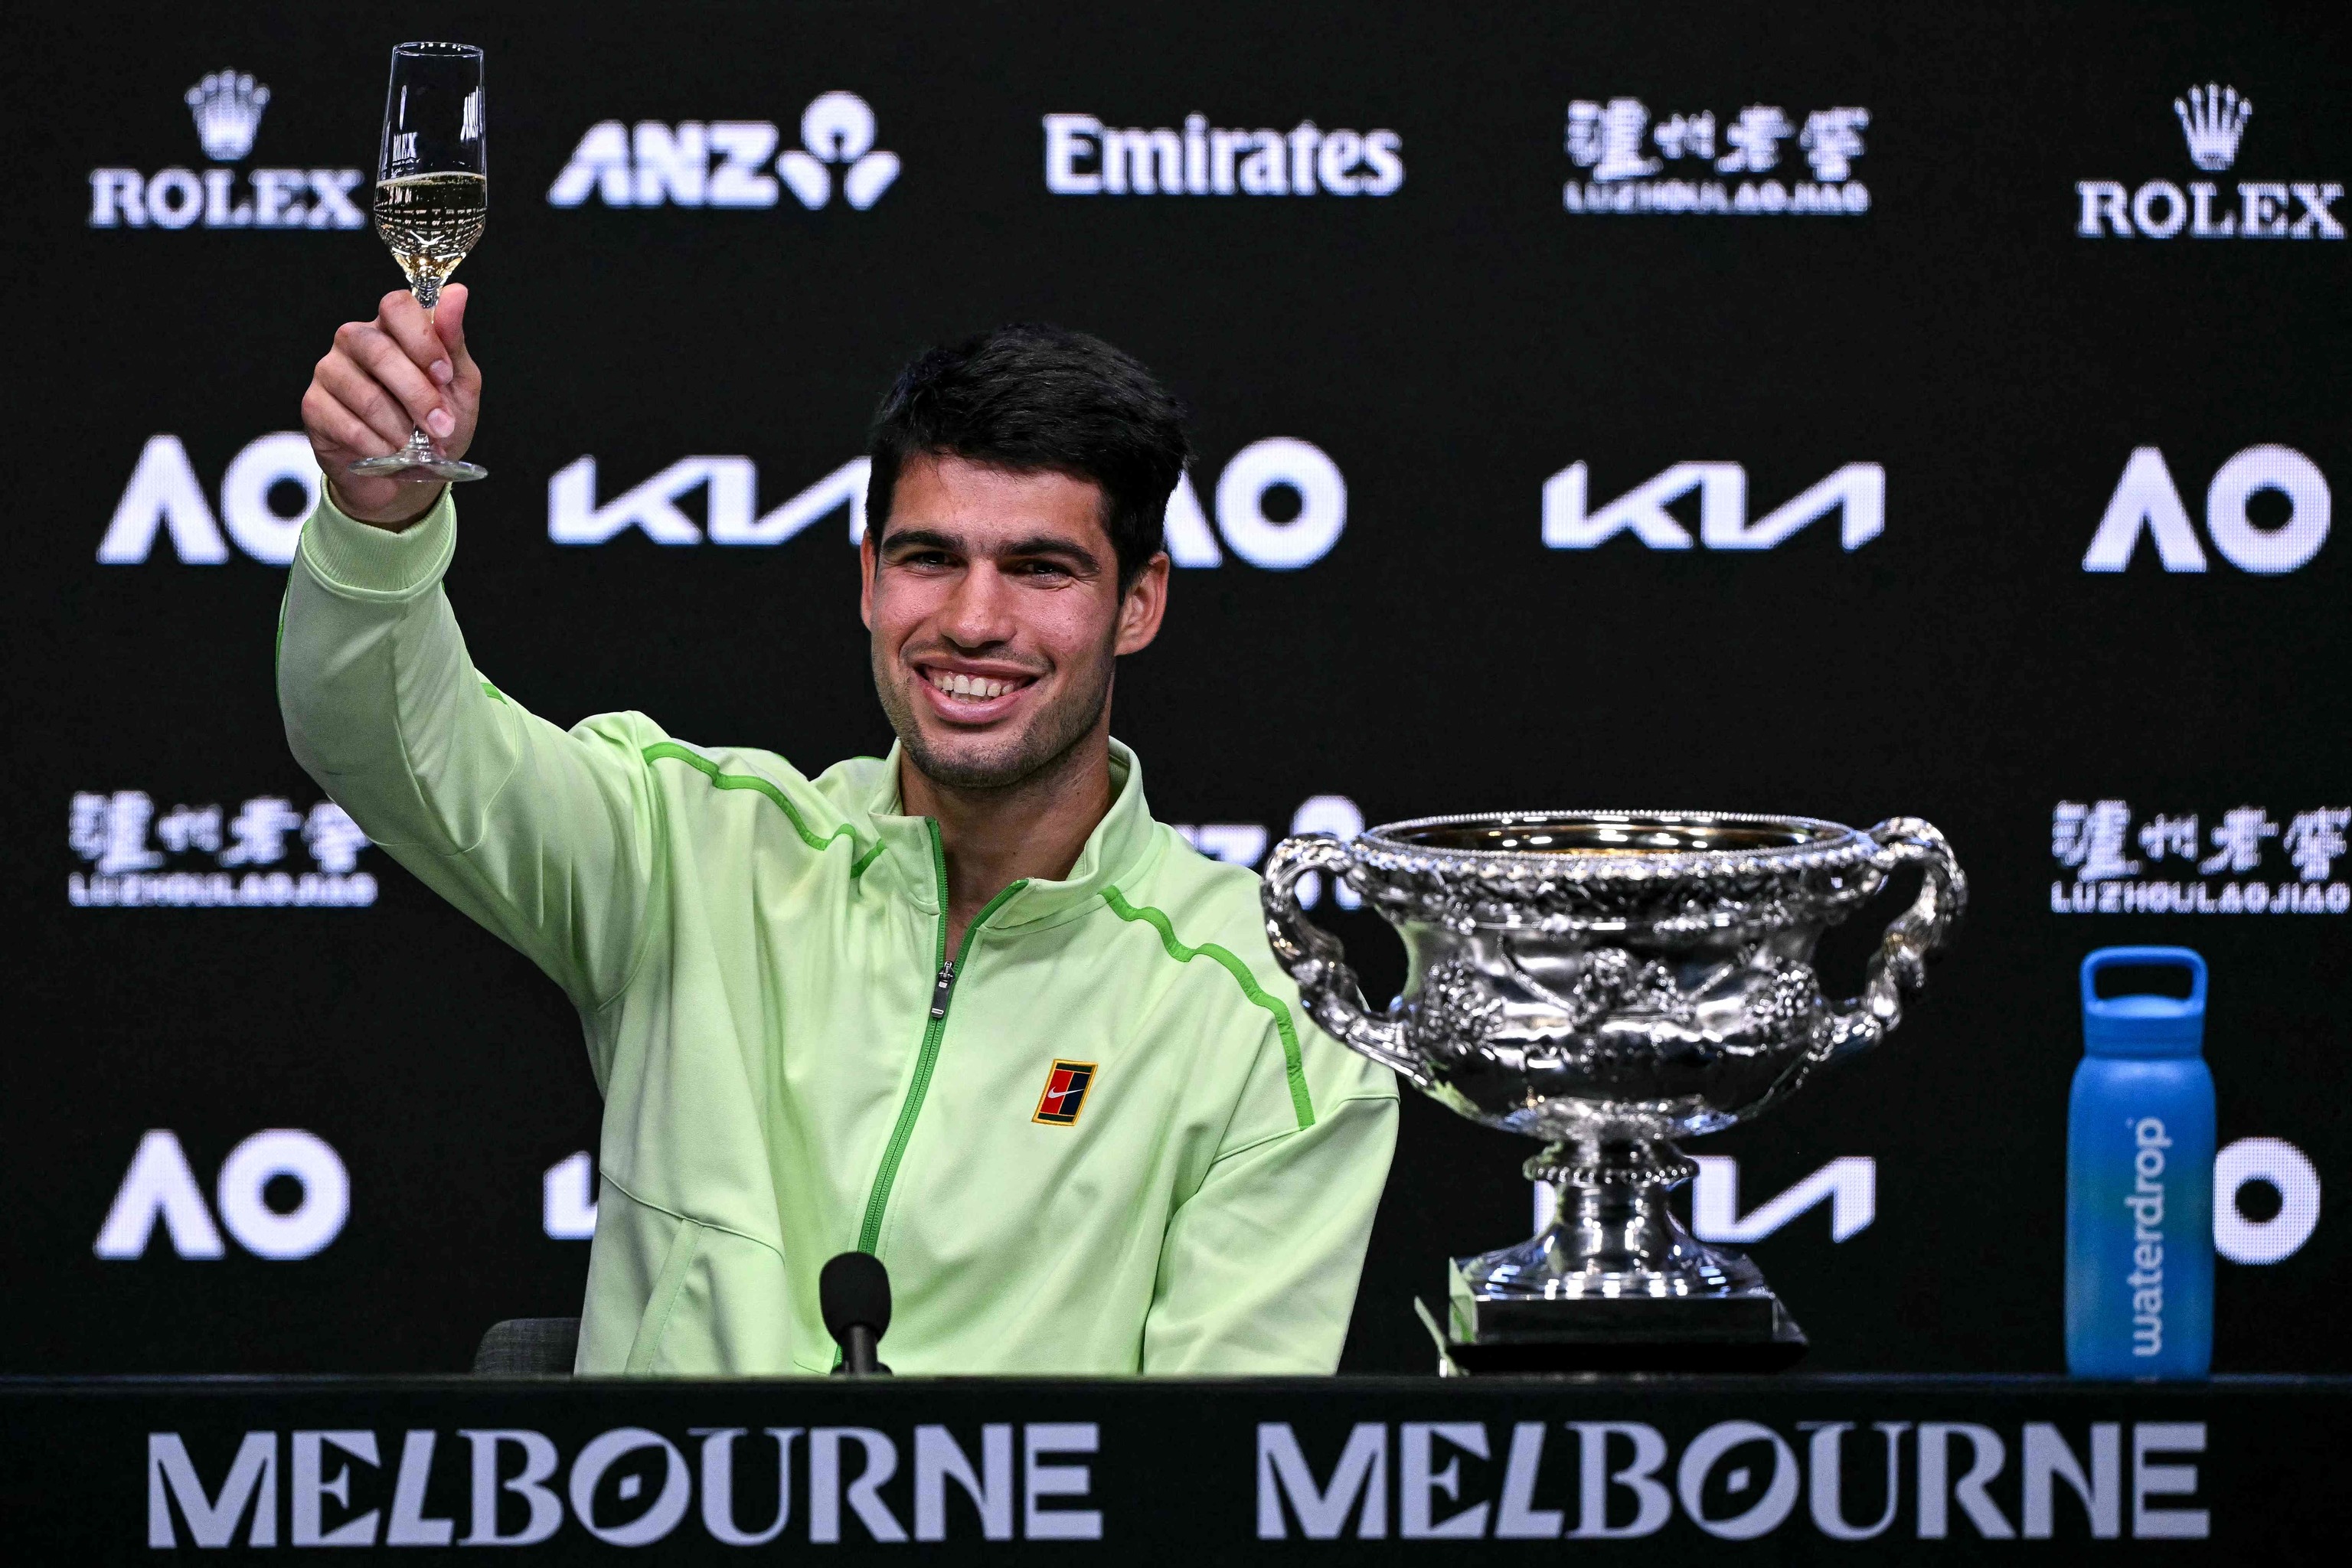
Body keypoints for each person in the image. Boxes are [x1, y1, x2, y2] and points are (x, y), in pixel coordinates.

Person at [283, 285, 1397, 1374]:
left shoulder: (1270, 1013)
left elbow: (1213, 1485)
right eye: (929, 558)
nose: (973, 620)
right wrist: (382, 526)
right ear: (868, 577)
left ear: (1139, 603)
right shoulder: (690, 849)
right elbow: (384, 742)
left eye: (1041, 569)